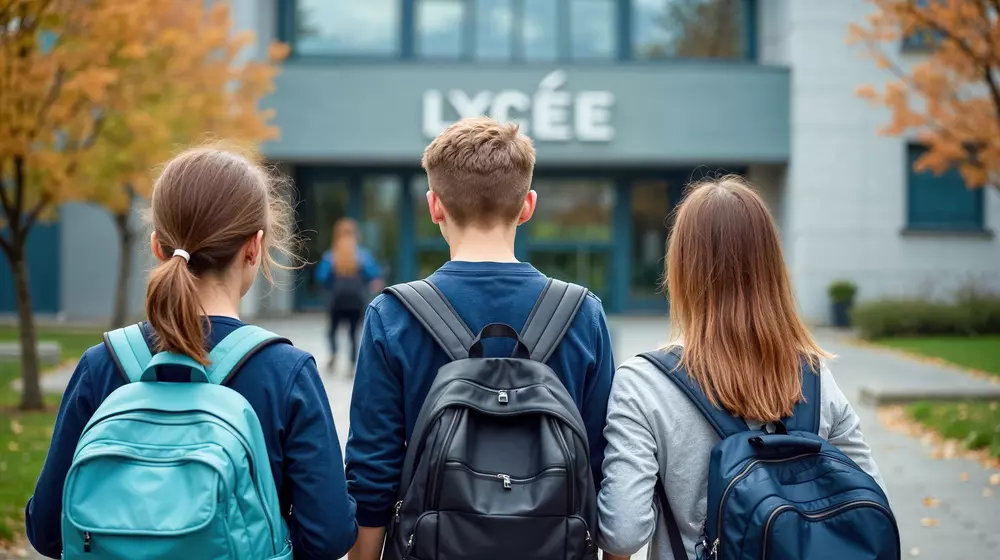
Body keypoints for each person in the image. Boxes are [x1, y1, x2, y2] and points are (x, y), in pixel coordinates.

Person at [25, 147, 358, 560]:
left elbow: (46, 529)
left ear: (157, 246)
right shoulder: (285, 372)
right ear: (254, 248)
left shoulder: (101, 365)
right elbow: (327, 535)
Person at [344, 116, 617, 560]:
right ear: (528, 206)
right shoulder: (582, 314)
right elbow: (601, 467)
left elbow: (372, 471)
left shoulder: (393, 315)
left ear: (434, 206)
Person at [597, 176, 889, 559]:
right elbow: (872, 497)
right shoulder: (814, 377)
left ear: (682, 267)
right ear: (771, 266)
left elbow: (623, 534)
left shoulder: (644, 384)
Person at [314, 218, 383, 373]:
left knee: (332, 330)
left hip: (336, 300)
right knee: (353, 334)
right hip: (356, 301)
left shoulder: (331, 256)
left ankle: (333, 353)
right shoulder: (363, 256)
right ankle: (352, 364)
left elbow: (321, 277)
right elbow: (374, 276)